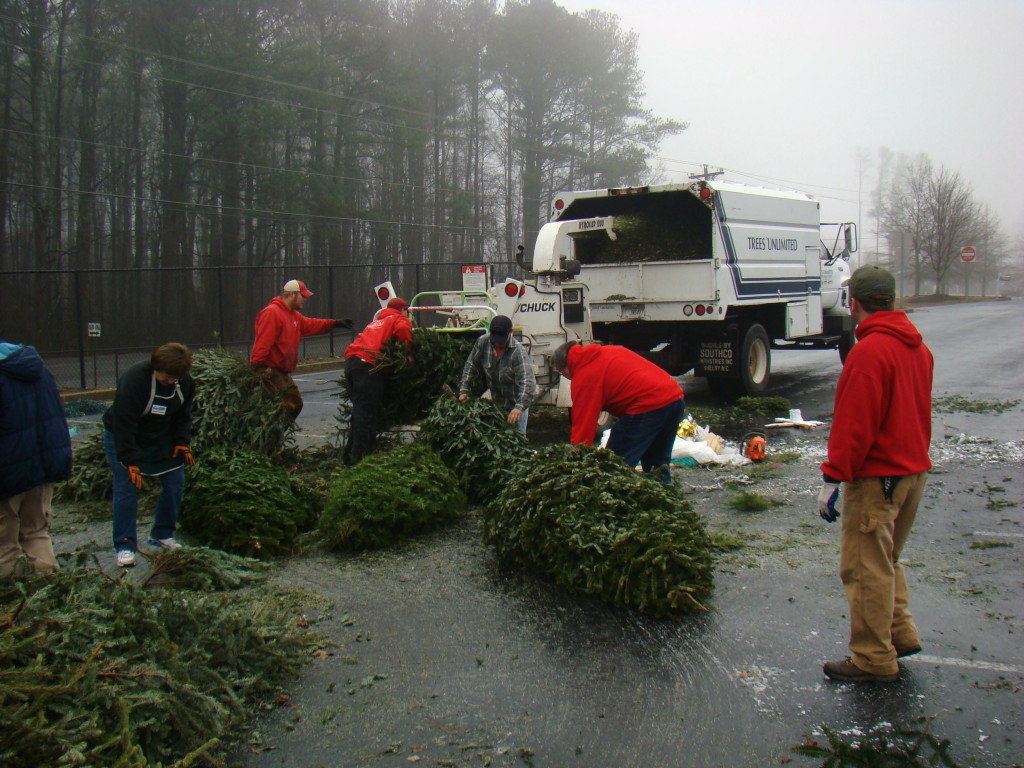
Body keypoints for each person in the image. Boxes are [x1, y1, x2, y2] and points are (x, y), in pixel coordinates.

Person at [818, 264, 933, 683]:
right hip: (911, 472)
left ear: (854, 302)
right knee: (886, 560)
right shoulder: (917, 348)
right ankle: (899, 635)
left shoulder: (869, 352)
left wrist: (833, 478)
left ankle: (872, 658)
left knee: (865, 567)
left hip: (878, 479)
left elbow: (855, 424)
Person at [102, 343, 196, 568]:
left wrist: (181, 442)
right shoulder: (135, 380)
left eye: (176, 377)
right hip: (125, 436)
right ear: (156, 367)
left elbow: (183, 415)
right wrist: (130, 461)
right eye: (167, 376)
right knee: (127, 487)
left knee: (174, 481)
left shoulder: (184, 382)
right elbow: (124, 424)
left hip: (160, 436)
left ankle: (162, 534)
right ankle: (124, 546)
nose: (171, 381)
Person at [551, 341, 684, 483]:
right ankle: (663, 496)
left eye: (560, 372)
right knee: (657, 461)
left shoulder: (584, 376)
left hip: (648, 405)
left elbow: (584, 423)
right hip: (674, 398)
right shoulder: (607, 351)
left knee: (614, 463)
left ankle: (612, 496)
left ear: (565, 367)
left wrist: (577, 460)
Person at [0, 340, 72, 577]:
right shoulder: (38, 370)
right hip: (41, 465)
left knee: (5, 541)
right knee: (35, 530)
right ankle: (49, 585)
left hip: (8, 470)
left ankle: (10, 598)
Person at [250, 279, 352, 420]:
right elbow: (263, 342)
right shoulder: (272, 313)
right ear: (292, 294)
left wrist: (335, 323)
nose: (305, 299)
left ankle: (277, 433)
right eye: (303, 296)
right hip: (271, 371)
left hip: (283, 372)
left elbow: (312, 324)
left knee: (295, 404)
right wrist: (257, 367)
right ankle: (271, 435)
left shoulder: (294, 316)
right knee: (282, 407)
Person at [343, 297, 414, 465]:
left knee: (360, 410)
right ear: (403, 310)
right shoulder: (399, 318)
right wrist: (408, 352)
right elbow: (404, 330)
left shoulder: (376, 322)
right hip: (368, 365)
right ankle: (360, 459)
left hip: (352, 363)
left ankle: (349, 456)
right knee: (367, 414)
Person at [458, 315, 536, 432]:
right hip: (496, 403)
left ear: (510, 333)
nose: (498, 344)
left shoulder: (518, 352)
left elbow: (527, 382)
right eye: (495, 340)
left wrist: (519, 408)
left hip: (516, 404)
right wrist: (464, 390)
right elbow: (471, 366)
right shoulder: (483, 342)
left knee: (517, 438)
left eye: (501, 340)